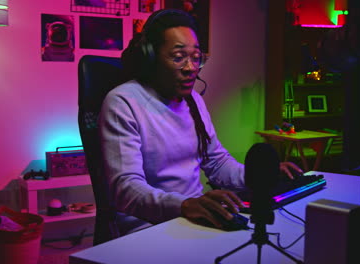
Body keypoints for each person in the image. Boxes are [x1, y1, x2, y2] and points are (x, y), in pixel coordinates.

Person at [99, 9, 303, 235]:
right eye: (178, 58)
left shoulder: (193, 100)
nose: (190, 68)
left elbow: (217, 163)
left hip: (195, 217)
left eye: (196, 58)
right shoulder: (123, 102)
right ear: (151, 57)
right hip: (147, 227)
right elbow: (126, 189)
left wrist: (261, 176)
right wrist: (184, 205)